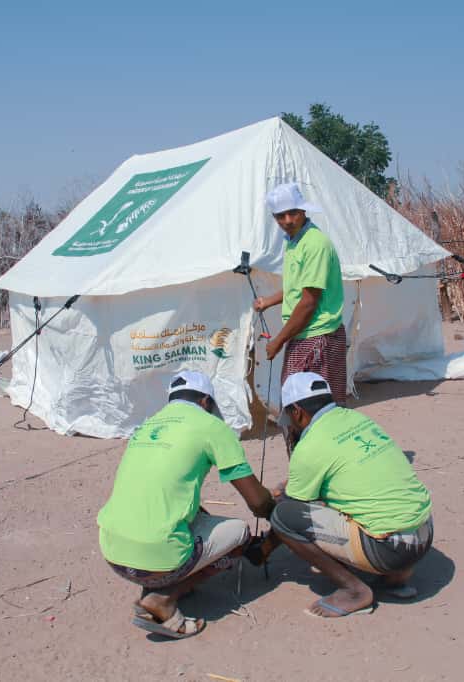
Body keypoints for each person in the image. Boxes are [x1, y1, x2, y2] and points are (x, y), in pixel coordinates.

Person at [96, 370, 274, 639]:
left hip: (113, 553)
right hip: (157, 558)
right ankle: (164, 596)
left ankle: (158, 581)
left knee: (191, 513)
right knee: (239, 533)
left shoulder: (149, 424)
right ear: (205, 402)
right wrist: (280, 516)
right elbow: (257, 502)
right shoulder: (210, 425)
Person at [248, 372, 434, 618]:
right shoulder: (358, 419)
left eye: (290, 419)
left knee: (283, 516)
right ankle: (397, 578)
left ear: (297, 411)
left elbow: (292, 509)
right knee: (353, 497)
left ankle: (354, 590)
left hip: (390, 550)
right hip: (424, 533)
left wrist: (263, 549)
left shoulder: (310, 445)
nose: (291, 426)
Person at [253, 183, 347, 405]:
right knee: (301, 403)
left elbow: (308, 302)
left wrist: (277, 341)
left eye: (292, 213)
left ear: (303, 210)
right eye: (280, 216)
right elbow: (298, 288)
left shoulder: (314, 244)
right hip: (304, 334)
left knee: (309, 405)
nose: (287, 220)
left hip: (318, 337)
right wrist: (268, 301)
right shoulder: (294, 242)